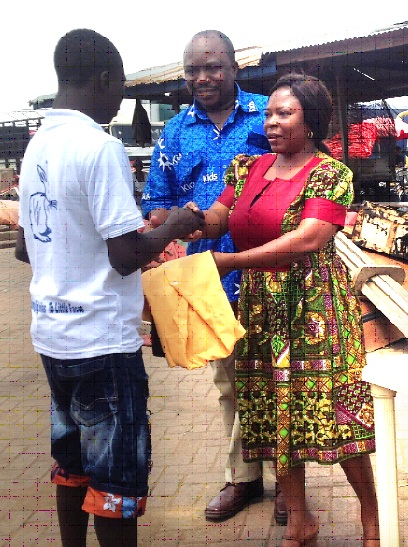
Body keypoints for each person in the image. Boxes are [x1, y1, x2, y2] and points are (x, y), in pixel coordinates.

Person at [14, 29, 205, 547]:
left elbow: (25, 249)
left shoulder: (37, 150)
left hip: (53, 338)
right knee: (115, 483)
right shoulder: (99, 148)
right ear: (103, 81)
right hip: (101, 343)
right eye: (119, 85)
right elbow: (124, 257)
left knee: (70, 463)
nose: (121, 97)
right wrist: (177, 225)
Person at [184, 73, 380, 547]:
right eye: (269, 113)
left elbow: (307, 239)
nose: (271, 122)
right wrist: (188, 221)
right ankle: (298, 522)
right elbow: (219, 217)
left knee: (336, 414)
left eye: (284, 113)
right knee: (274, 415)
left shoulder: (330, 174)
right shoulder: (247, 168)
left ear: (310, 121)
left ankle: (373, 518)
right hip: (260, 309)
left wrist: (229, 260)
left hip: (314, 309)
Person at [140, 30, 281, 524]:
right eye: (194, 69)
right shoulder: (175, 132)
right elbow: (155, 204)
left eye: (214, 66)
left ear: (234, 68)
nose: (204, 77)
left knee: (279, 378)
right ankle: (244, 478)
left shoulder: (270, 114)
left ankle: (291, 481)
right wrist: (169, 229)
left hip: (271, 270)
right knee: (230, 384)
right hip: (208, 280)